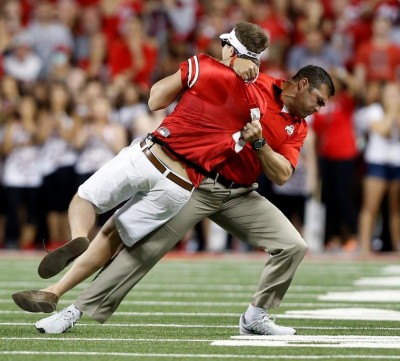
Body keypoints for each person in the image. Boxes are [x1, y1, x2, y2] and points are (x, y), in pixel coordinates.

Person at [12, 24, 335, 336]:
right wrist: (238, 63)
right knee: (142, 250)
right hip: (198, 181)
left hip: (240, 193)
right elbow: (222, 70)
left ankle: (256, 316)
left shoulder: (298, 126)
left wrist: (261, 143)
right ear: (303, 84)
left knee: (293, 245)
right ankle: (73, 312)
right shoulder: (256, 82)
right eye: (319, 101)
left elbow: (281, 174)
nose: (318, 109)